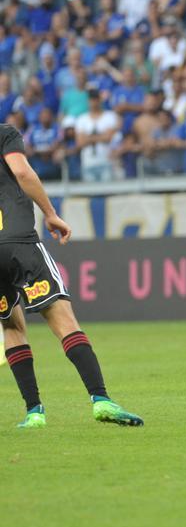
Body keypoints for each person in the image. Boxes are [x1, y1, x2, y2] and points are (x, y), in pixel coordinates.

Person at [0, 122, 142, 428]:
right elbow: (22, 172)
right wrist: (50, 213)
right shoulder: (5, 133)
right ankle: (100, 399)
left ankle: (34, 412)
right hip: (19, 242)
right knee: (63, 319)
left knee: (11, 326)